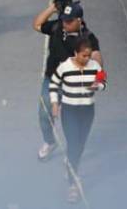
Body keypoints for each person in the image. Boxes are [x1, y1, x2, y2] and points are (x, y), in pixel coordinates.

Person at [34, 1, 103, 162]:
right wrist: (51, 8)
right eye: (64, 19)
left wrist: (96, 81)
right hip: (52, 80)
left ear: (79, 20)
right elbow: (37, 24)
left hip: (74, 87)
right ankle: (50, 142)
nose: (65, 23)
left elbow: (97, 61)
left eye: (69, 21)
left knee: (73, 126)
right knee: (44, 114)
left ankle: (73, 155)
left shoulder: (88, 38)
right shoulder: (57, 27)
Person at [49, 37, 106, 203]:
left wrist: (98, 86)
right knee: (73, 144)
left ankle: (70, 163)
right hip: (70, 110)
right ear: (75, 53)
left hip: (87, 110)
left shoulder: (95, 66)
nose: (86, 59)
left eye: (88, 56)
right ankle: (73, 185)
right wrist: (54, 103)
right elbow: (53, 84)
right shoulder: (64, 67)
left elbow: (103, 82)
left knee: (80, 144)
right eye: (83, 56)